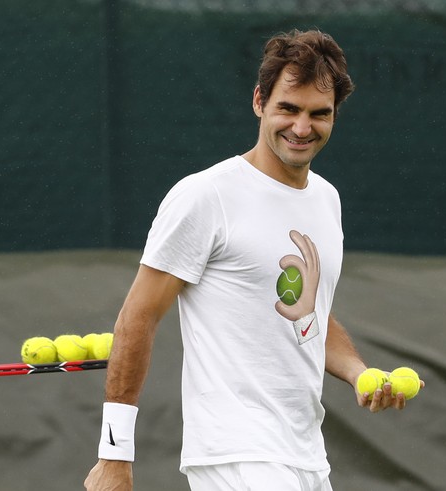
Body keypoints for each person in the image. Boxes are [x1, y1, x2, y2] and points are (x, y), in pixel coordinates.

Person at [84, 29, 424, 491]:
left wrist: (359, 373)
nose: (302, 128)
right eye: (288, 108)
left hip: (305, 457)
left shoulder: (327, 200)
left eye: (318, 114)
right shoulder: (205, 196)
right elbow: (137, 318)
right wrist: (114, 455)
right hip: (238, 455)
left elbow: (309, 315)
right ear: (259, 101)